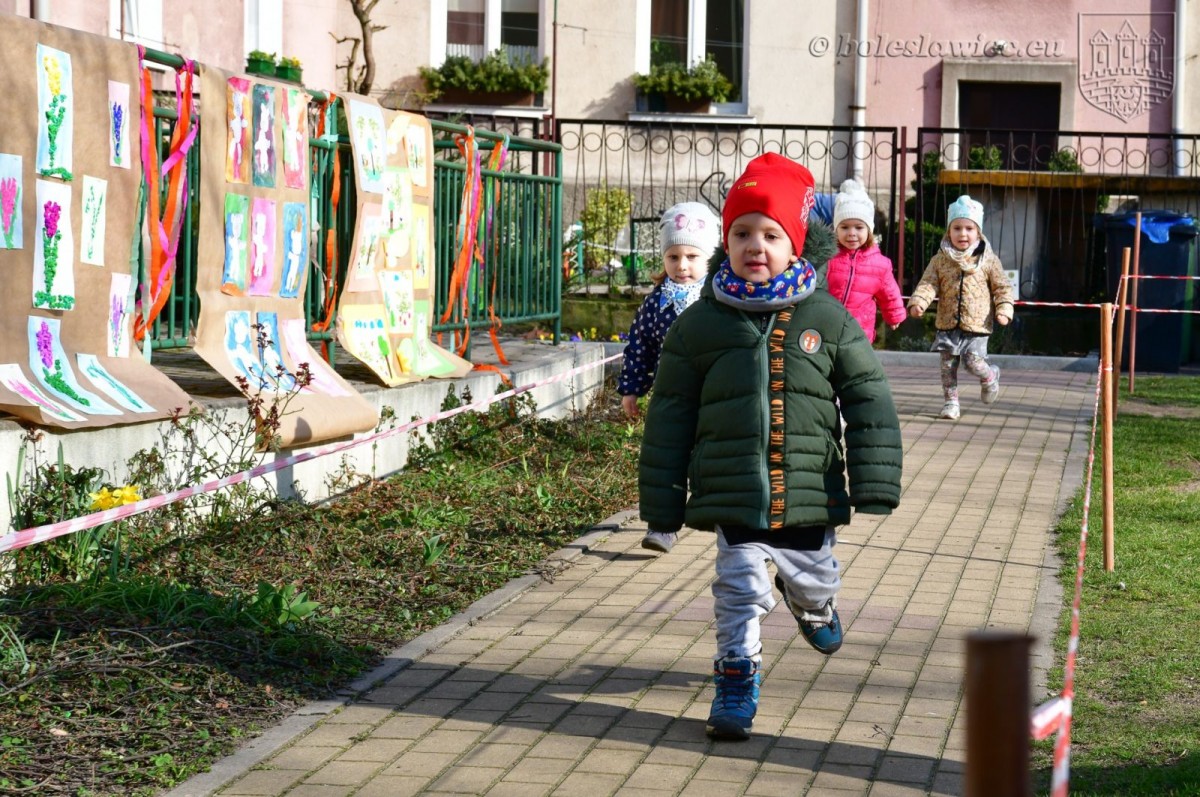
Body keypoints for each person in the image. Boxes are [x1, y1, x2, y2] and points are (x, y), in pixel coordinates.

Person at [638, 153, 904, 741]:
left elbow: (868, 395)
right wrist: (663, 504)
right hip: (733, 492)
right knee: (738, 591)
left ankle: (812, 605)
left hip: (808, 491)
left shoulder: (827, 318)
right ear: (724, 243)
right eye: (741, 234)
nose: (754, 246)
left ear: (795, 245)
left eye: (770, 234)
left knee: (814, 579)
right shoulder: (700, 326)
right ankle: (736, 678)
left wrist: (876, 478)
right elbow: (670, 416)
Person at [618, 201, 720, 554]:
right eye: (673, 257)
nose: (682, 266)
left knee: (713, 456)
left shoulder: (720, 301)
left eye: (692, 256)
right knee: (665, 457)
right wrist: (631, 389)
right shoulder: (655, 303)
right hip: (670, 395)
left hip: (715, 395)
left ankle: (721, 514)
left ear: (709, 257)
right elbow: (639, 346)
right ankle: (661, 526)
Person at [906, 195, 1014, 420]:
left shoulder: (988, 260)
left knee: (972, 362)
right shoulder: (940, 260)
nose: (962, 234)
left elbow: (1002, 287)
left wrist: (1003, 309)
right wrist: (919, 302)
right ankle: (951, 402)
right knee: (947, 366)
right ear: (949, 231)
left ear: (978, 232)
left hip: (977, 324)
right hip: (947, 322)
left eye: (968, 228)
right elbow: (928, 283)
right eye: (957, 228)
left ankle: (990, 377)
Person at [826, 179, 906, 342]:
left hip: (859, 331)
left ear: (869, 230)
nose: (851, 233)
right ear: (836, 229)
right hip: (826, 327)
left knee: (854, 366)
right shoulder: (828, 257)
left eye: (859, 227)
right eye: (844, 227)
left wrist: (894, 314)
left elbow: (889, 292)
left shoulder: (880, 264)